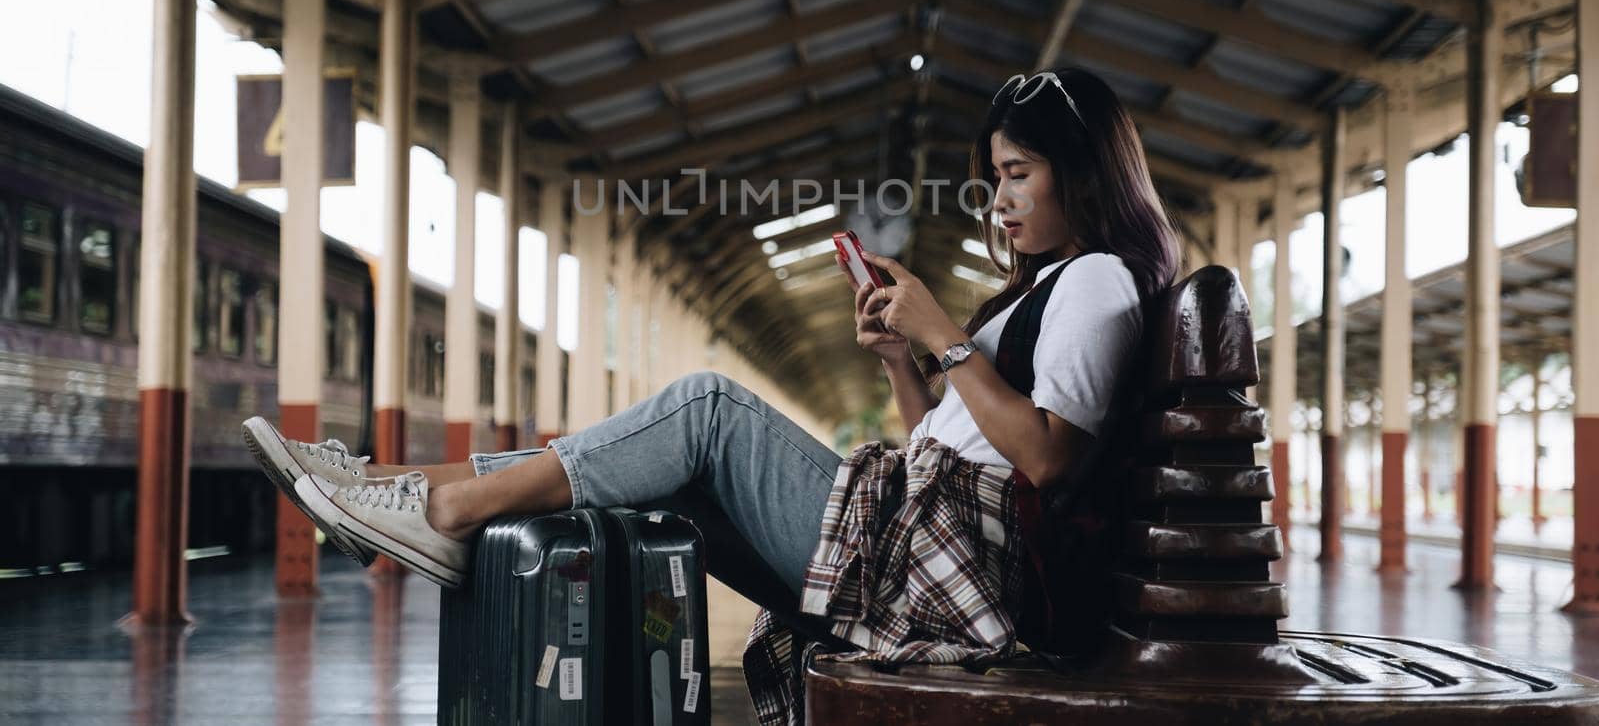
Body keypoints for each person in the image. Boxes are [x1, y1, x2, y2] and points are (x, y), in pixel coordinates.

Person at [242, 67, 1179, 724]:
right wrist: (906, 361)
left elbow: (1047, 457)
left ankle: (438, 504)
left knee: (706, 410)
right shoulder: (1057, 281)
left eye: (1019, 175)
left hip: (960, 574)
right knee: (664, 474)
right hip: (934, 546)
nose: (1001, 203)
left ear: (1083, 170)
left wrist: (944, 335)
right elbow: (948, 440)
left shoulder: (1097, 277)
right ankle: (405, 487)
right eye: (995, 180)